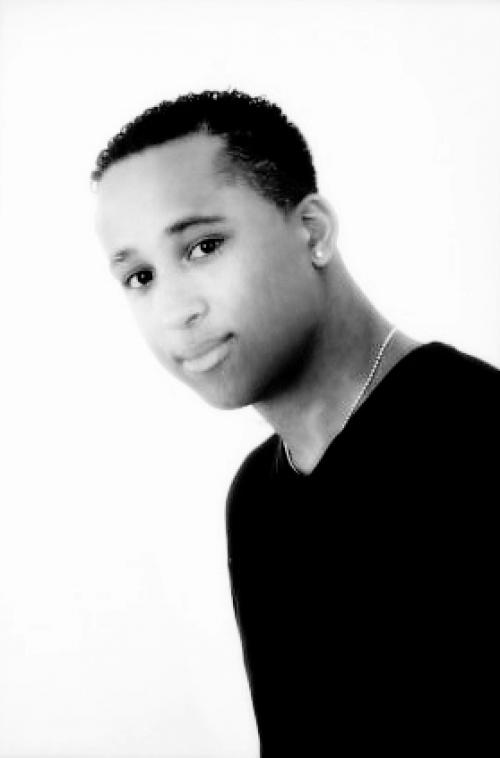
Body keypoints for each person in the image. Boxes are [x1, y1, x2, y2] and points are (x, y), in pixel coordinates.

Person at [92, 89, 498, 756]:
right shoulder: (256, 500)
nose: (174, 310)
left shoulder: (477, 436)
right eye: (139, 277)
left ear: (312, 230)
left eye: (202, 246)